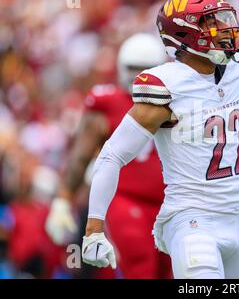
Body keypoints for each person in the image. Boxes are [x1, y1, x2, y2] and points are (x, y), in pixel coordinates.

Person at [81, 0, 239, 279]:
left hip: (237, 218)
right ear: (184, 33)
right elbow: (112, 155)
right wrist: (94, 228)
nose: (224, 29)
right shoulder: (167, 86)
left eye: (223, 19)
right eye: (212, 22)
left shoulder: (234, 73)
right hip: (191, 220)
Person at [45, 33, 172, 278]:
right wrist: (63, 198)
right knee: (141, 267)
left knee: (173, 271)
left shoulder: (177, 98)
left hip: (170, 202)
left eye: (146, 69)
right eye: (134, 68)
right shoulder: (108, 103)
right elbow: (81, 155)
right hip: (125, 200)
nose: (139, 76)